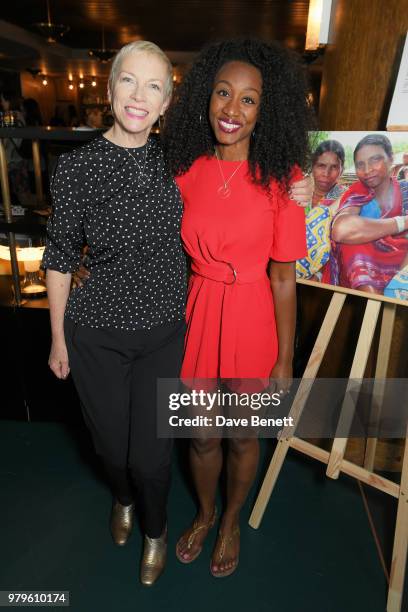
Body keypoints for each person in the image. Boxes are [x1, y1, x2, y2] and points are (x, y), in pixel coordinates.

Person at [163, 38, 312, 577]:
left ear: (264, 111)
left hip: (253, 316)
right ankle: (204, 514)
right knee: (201, 433)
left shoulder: (284, 183)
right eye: (224, 93)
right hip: (197, 312)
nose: (232, 109)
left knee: (242, 433)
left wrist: (285, 361)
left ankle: (230, 521)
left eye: (249, 99)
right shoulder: (183, 172)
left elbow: (283, 278)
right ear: (205, 96)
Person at [42, 40, 187, 586]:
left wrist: (298, 189)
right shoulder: (76, 168)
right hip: (94, 334)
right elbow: (58, 256)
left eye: (154, 86)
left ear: (166, 102)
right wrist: (58, 338)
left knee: (151, 456)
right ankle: (121, 498)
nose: (139, 96)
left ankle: (155, 529)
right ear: (109, 88)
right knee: (110, 447)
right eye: (129, 80)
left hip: (162, 334)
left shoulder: (179, 161)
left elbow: (237, 184)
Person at [330, 134, 408, 294]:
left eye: (375, 160)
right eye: (360, 164)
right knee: (354, 244)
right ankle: (375, 303)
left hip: (402, 262)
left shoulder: (405, 190)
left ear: (391, 159)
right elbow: (341, 230)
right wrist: (403, 222)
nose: (367, 170)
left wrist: (399, 280)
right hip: (361, 270)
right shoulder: (357, 191)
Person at [296, 139, 347, 280]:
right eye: (321, 165)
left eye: (334, 167)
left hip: (325, 269)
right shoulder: (298, 189)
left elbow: (341, 245)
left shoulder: (345, 199)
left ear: (342, 169)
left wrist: (319, 274)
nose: (326, 173)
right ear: (312, 166)